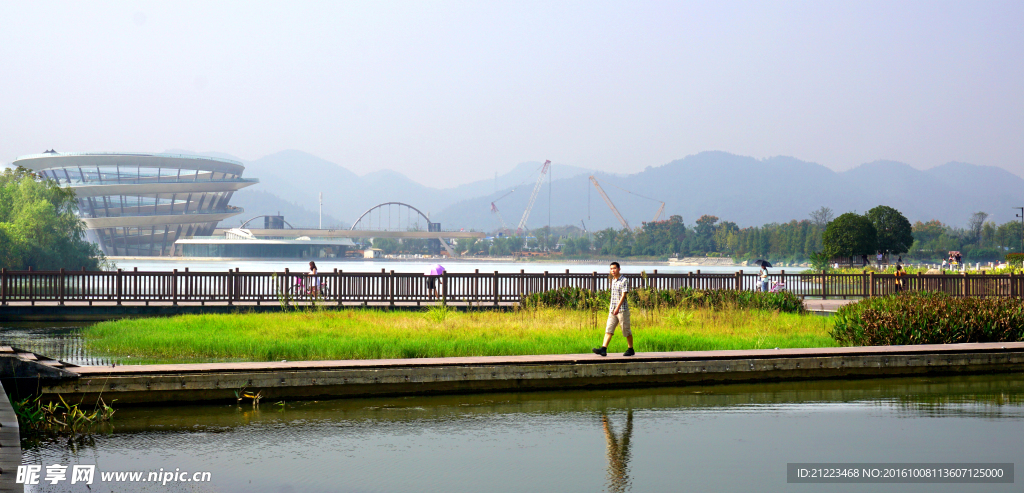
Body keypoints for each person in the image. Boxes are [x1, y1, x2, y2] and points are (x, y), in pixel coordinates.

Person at [593, 262, 634, 357]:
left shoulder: (624, 280)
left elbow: (623, 296)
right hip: (612, 310)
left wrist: (618, 308)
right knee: (609, 329)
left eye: (614, 268)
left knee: (626, 330)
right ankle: (603, 349)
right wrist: (612, 308)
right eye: (611, 269)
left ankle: (630, 349)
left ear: (619, 269)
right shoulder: (613, 280)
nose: (613, 270)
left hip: (622, 310)